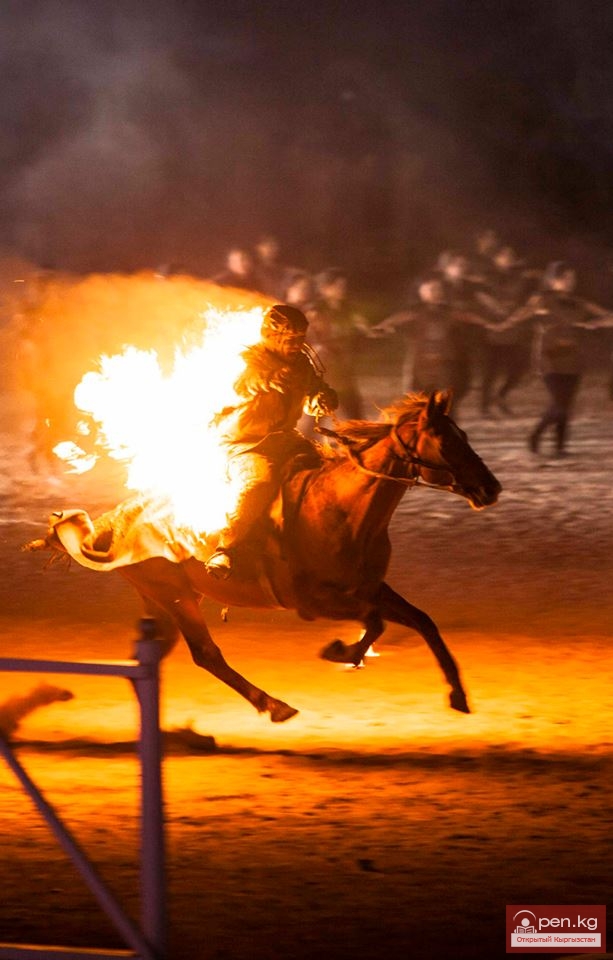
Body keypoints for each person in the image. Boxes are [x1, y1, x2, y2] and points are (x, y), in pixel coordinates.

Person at [205, 304, 338, 579]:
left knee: (328, 472)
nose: (297, 345)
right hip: (244, 443)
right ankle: (225, 549)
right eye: (291, 340)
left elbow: (313, 392)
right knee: (259, 484)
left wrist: (320, 400)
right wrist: (269, 379)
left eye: (301, 339)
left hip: (285, 439)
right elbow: (242, 385)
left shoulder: (301, 363)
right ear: (273, 337)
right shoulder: (248, 360)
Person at [500, 261, 613, 456]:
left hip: (572, 359)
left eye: (572, 278)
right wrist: (506, 324)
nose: (569, 282)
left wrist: (597, 323)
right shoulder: (542, 299)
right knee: (559, 403)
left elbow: (606, 315)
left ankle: (560, 447)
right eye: (564, 278)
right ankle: (536, 434)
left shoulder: (577, 302)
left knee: (566, 405)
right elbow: (523, 313)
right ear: (553, 280)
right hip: (549, 359)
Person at [371, 274, 491, 407]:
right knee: (419, 401)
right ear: (422, 292)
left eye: (438, 289)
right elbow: (399, 319)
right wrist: (383, 326)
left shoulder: (449, 311)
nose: (435, 293)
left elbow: (467, 317)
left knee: (446, 403)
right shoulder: (415, 311)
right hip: (421, 363)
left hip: (445, 363)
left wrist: (488, 323)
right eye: (431, 289)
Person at [475, 245, 538, 416]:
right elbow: (479, 295)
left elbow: (531, 297)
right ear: (495, 258)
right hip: (491, 327)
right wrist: (497, 307)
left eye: (511, 255)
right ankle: (484, 407)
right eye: (503, 255)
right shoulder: (488, 275)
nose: (507, 258)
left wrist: (520, 310)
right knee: (490, 370)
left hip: (514, 327)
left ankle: (501, 396)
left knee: (519, 367)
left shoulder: (520, 276)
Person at [307, 268, 370, 420]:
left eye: (343, 286)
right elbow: (312, 338)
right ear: (324, 288)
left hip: (344, 369)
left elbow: (360, 332)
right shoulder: (315, 312)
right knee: (316, 415)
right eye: (337, 286)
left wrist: (364, 330)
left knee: (355, 415)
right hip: (325, 371)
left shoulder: (347, 309)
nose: (342, 289)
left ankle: (357, 440)